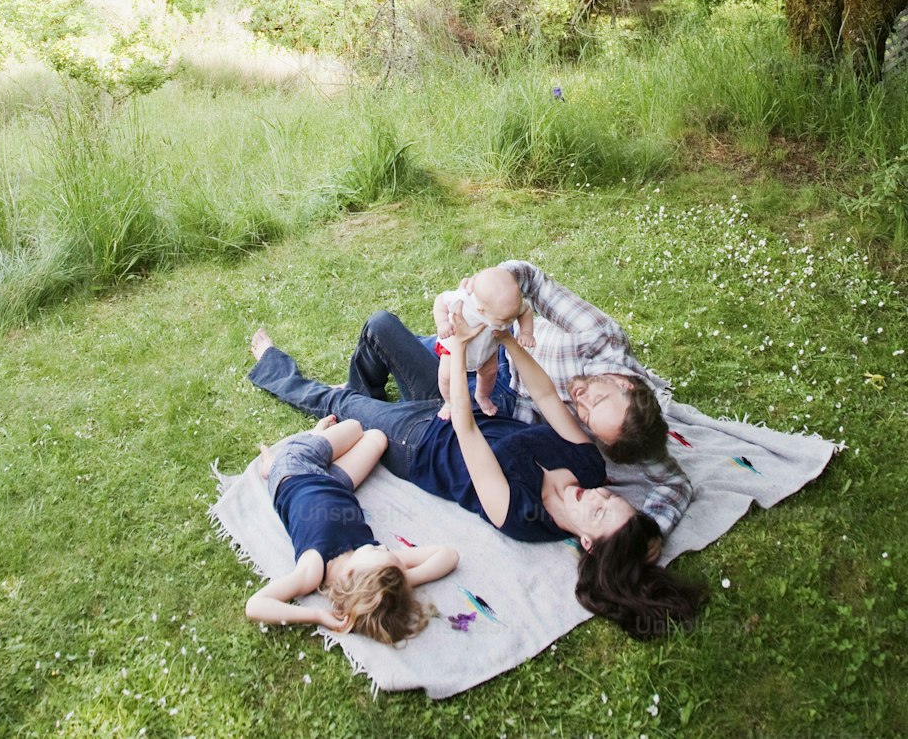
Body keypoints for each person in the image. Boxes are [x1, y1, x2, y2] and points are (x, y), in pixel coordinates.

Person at [249, 316, 706, 638]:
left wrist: (460, 346)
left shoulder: (522, 516)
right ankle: (368, 401)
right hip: (455, 400)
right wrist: (505, 340)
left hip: (421, 443)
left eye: (601, 511)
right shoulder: (591, 467)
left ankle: (274, 365)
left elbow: (466, 433)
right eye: (612, 498)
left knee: (339, 406)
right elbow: (546, 395)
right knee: (381, 325)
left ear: (587, 542)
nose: (600, 495)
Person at [351, 262, 693, 537]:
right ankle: (378, 404)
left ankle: (377, 415)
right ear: (624, 383)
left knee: (385, 394)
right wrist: (493, 293)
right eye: (597, 398)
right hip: (495, 352)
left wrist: (638, 539)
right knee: (381, 329)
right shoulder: (601, 338)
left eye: (585, 418)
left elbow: (674, 485)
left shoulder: (621, 441)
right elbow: (530, 278)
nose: (580, 401)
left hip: (493, 403)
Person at [246, 413, 458, 643]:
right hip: (337, 486)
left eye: (381, 553)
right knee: (376, 437)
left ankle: (274, 464)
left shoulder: (314, 568)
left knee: (354, 427)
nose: (385, 548)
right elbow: (448, 555)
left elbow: (256, 605)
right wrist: (404, 581)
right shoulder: (381, 569)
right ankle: (315, 439)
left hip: (294, 471)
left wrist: (316, 615)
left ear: (350, 574)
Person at [433, 266, 535, 419]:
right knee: (446, 376)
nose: (509, 321)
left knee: (489, 373)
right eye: (504, 319)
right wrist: (442, 323)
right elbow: (440, 300)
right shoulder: (462, 299)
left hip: (488, 347)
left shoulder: (511, 304)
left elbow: (525, 311)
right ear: (481, 310)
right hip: (454, 346)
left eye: (512, 316)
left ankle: (482, 396)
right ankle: (449, 402)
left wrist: (526, 332)